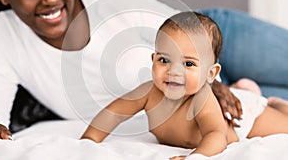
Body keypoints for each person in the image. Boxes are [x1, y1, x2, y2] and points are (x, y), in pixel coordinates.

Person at [0, 0, 287, 140]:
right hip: (204, 95)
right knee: (266, 108)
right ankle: (249, 90)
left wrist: (213, 84)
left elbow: (182, 33)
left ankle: (241, 87)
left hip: (211, 37)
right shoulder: (3, 35)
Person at [81, 12, 288, 159]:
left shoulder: (201, 99)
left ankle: (273, 103)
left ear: (211, 73)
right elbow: (114, 112)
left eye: (188, 64)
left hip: (243, 118)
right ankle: (244, 87)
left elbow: (217, 135)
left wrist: (196, 157)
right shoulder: (148, 92)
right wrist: (88, 140)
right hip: (229, 96)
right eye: (164, 60)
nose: (174, 71)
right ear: (153, 59)